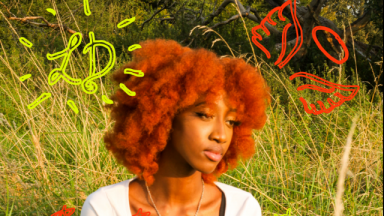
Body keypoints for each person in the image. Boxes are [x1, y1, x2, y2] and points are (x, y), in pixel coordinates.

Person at [81, 39, 270, 216]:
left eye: (231, 121)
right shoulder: (106, 207)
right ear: (163, 114)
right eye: (204, 115)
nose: (221, 135)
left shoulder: (242, 208)